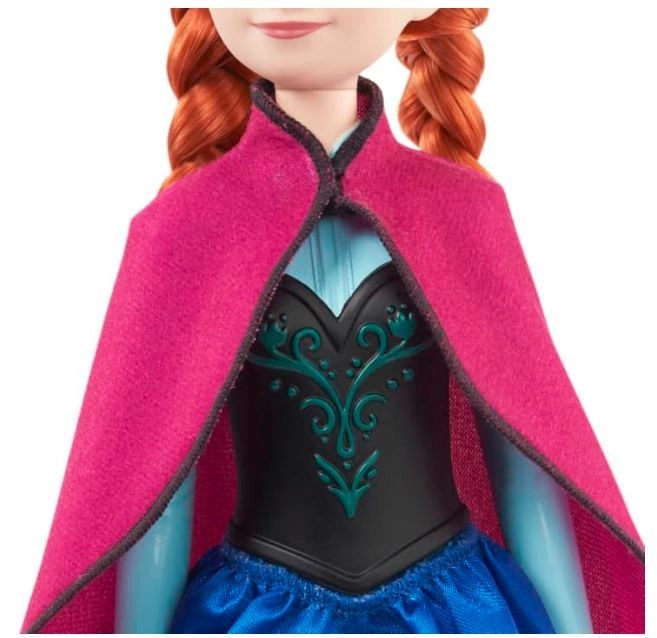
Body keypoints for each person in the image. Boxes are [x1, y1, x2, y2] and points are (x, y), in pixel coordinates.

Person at [21, 8, 644, 634]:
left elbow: (530, 475)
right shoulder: (183, 229)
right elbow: (153, 500)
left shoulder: (463, 211)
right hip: (258, 616)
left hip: (452, 611)